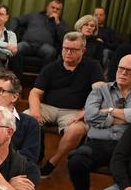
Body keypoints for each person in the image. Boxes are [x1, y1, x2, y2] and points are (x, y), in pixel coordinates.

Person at [67, 54, 131, 190]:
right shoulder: (100, 90)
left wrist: (108, 111)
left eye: (129, 71)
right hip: (98, 144)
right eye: (121, 69)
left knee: (130, 171)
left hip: (128, 147)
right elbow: (91, 116)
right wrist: (129, 116)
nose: (122, 73)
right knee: (76, 161)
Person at [27, 31, 103, 176]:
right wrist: (36, 113)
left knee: (77, 130)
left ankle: (53, 162)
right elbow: (35, 93)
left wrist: (86, 111)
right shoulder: (51, 67)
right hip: (48, 108)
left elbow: (100, 93)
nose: (68, 52)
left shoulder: (93, 66)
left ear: (83, 50)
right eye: (65, 48)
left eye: (73, 50)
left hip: (74, 111)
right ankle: (35, 155)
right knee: (26, 118)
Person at [12, 0, 65, 73]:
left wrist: (57, 23)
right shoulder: (34, 15)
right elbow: (16, 20)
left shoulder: (60, 23)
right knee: (17, 48)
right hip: (27, 44)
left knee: (51, 52)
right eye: (52, 7)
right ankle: (17, 78)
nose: (55, 10)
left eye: (58, 9)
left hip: (44, 47)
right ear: (47, 7)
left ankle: (42, 81)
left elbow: (63, 38)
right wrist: (10, 33)